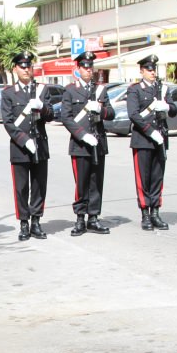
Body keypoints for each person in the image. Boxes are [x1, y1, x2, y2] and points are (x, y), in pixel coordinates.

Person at [61, 51, 115, 236]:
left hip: (98, 142)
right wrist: (82, 135)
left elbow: (111, 113)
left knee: (96, 182)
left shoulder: (100, 90)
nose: (89, 70)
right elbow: (66, 117)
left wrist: (100, 108)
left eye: (91, 67)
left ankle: (93, 217)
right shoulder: (70, 90)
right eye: (85, 67)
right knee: (81, 183)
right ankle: (80, 219)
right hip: (80, 145)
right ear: (78, 69)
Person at [1, 51, 54, 240]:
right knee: (21, 187)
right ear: (15, 69)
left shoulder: (42, 90)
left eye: (28, 66)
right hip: (20, 147)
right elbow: (8, 122)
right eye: (22, 66)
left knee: (39, 185)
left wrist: (42, 107)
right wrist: (24, 140)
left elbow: (50, 116)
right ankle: (24, 222)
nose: (26, 69)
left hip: (40, 144)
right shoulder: (8, 93)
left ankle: (36, 221)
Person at [127, 54, 177, 231]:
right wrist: (150, 132)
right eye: (149, 69)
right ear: (142, 71)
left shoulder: (162, 89)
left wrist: (167, 106)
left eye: (153, 69)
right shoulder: (135, 90)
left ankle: (155, 211)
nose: (152, 72)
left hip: (160, 139)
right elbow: (133, 114)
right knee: (143, 178)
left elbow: (174, 110)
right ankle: (145, 214)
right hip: (142, 140)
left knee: (157, 177)